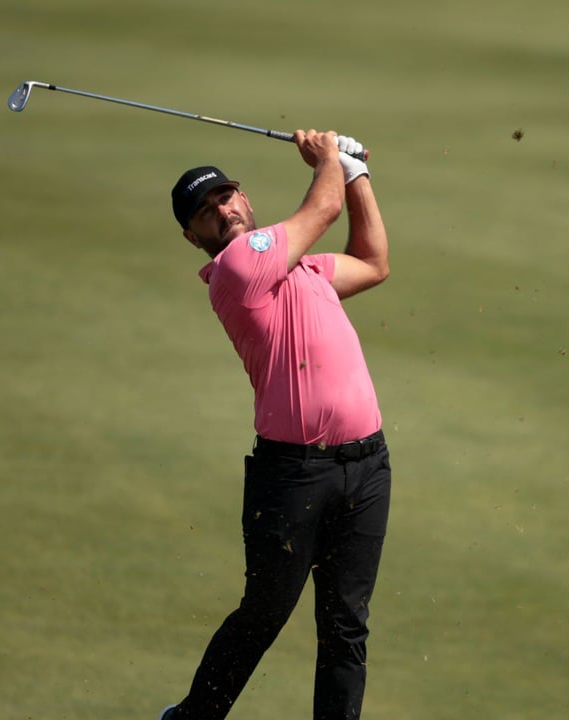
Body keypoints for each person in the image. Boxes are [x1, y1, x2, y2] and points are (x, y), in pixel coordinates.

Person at [159, 129, 392, 720]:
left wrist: (357, 172)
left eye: (226, 196)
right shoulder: (238, 267)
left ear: (244, 198)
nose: (221, 210)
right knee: (265, 612)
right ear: (194, 238)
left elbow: (372, 262)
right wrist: (329, 159)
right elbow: (324, 205)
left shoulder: (305, 269)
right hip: (293, 474)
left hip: (367, 466)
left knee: (346, 624)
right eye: (205, 212)